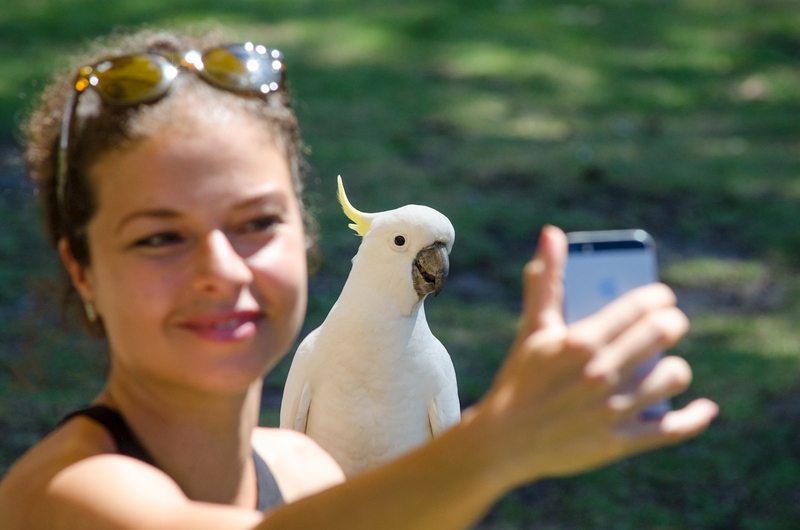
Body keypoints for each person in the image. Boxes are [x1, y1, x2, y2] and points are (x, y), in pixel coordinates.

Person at [0, 27, 718, 529]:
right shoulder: (63, 496)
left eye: (257, 224)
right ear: (83, 271)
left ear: (306, 242)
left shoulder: (304, 471)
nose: (221, 270)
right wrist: (498, 443)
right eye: (160, 237)